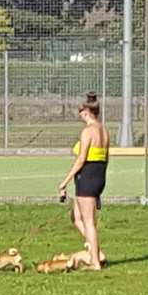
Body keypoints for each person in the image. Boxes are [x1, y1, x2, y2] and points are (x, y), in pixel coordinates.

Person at [57, 94, 108, 271]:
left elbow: (81, 159)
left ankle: (95, 262)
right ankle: (96, 253)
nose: (79, 115)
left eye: (80, 112)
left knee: (88, 221)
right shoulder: (103, 130)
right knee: (76, 217)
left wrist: (64, 182)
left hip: (87, 178)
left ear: (87, 112)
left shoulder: (88, 131)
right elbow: (105, 158)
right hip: (97, 177)